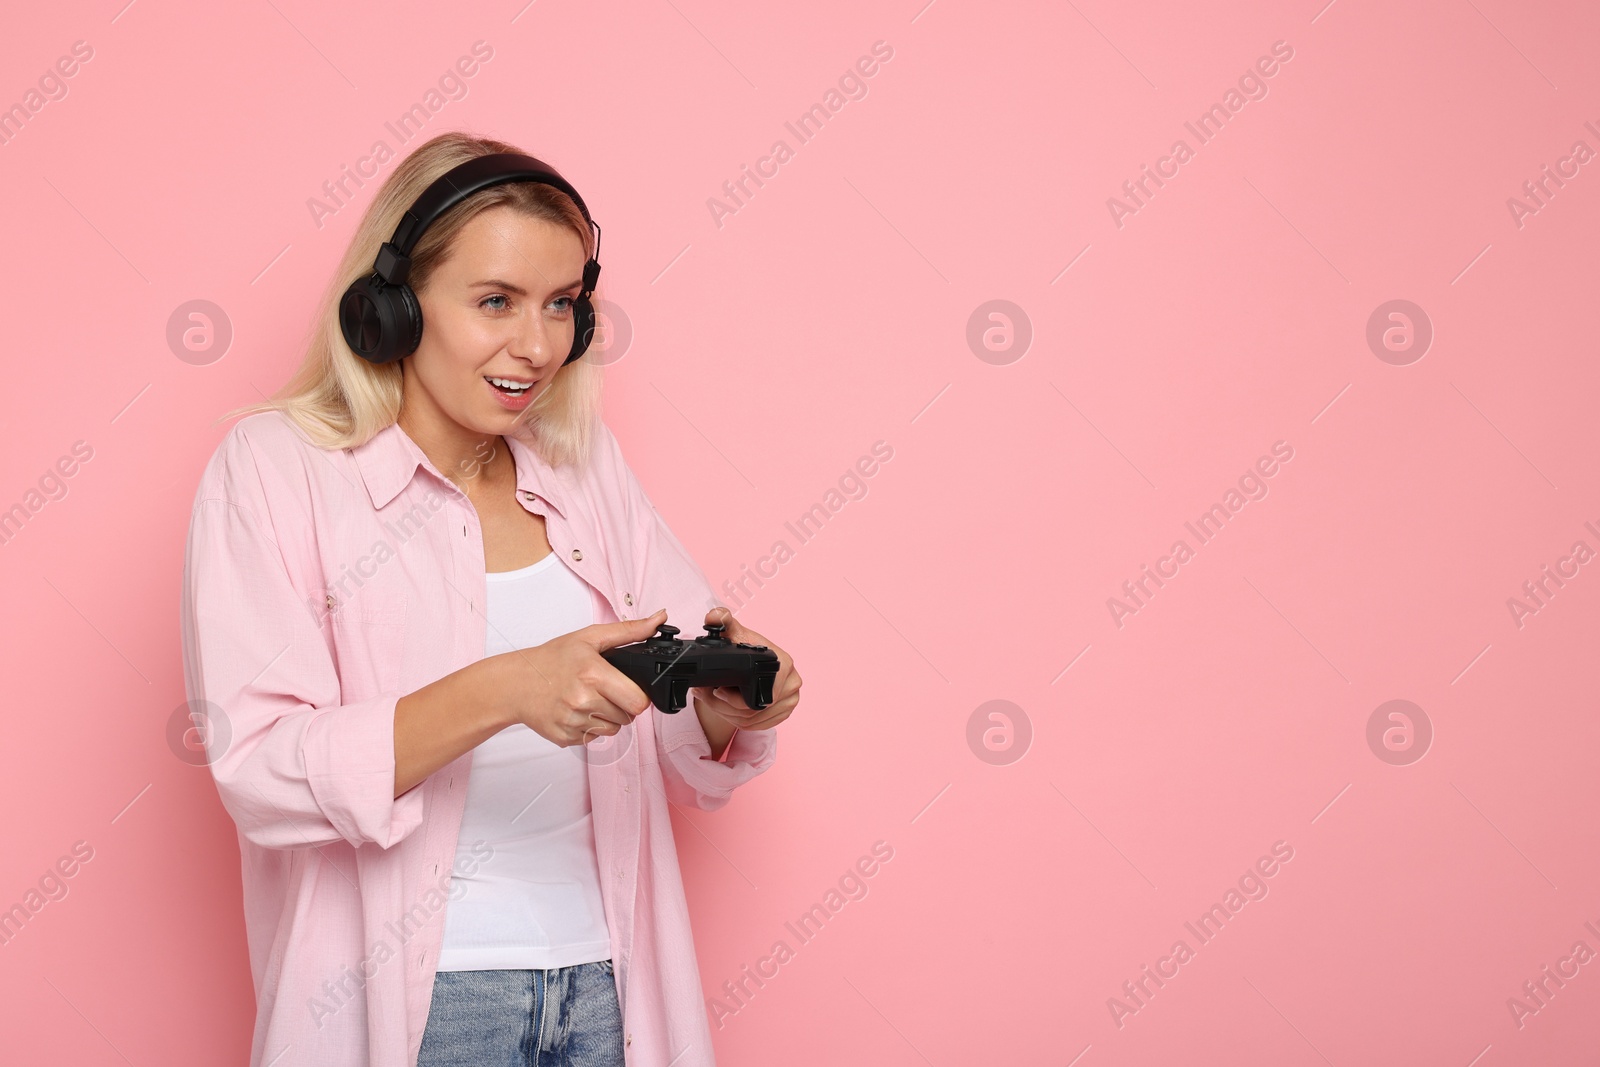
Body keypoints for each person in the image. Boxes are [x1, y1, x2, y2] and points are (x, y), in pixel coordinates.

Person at [179, 131, 801, 1067]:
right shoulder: (275, 473)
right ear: (391, 307)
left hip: (604, 989)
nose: (539, 345)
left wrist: (722, 704)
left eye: (562, 305)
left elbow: (675, 738)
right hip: (421, 1006)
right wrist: (506, 690)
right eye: (496, 302)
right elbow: (259, 768)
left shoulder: (586, 473)